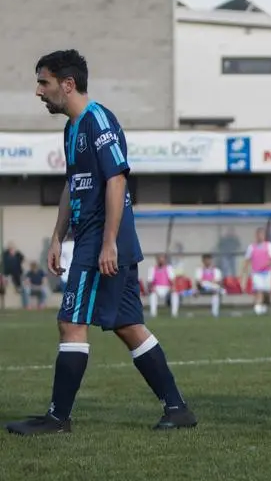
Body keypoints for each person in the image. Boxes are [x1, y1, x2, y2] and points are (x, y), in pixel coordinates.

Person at [6, 49, 196, 435]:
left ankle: (58, 419)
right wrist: (58, 237)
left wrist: (108, 242)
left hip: (101, 242)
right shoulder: (72, 128)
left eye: (44, 82)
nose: (38, 91)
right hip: (94, 239)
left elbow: (117, 179)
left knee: (70, 322)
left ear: (68, 84)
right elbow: (71, 185)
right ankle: (177, 408)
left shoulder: (98, 120)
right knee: (128, 325)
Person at [242, 228, 271, 315]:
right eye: (258, 234)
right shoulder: (251, 247)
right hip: (256, 273)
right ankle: (257, 308)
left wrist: (267, 264)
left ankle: (264, 307)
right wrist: (244, 271)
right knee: (258, 290)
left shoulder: (269, 245)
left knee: (266, 292)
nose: (260, 236)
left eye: (262, 234)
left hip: (267, 272)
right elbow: (247, 259)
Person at [195, 253, 225, 317]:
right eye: (205, 260)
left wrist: (211, 282)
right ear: (203, 261)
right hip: (203, 287)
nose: (207, 261)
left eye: (208, 260)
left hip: (213, 287)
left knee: (216, 292)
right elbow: (198, 281)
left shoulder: (216, 270)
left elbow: (218, 281)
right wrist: (210, 281)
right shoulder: (199, 270)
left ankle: (215, 313)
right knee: (208, 285)